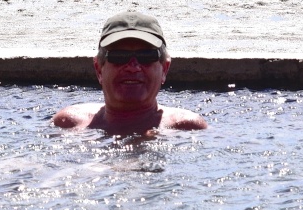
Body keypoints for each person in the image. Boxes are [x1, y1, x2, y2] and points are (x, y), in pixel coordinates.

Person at [53, 11, 207, 133]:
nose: (133, 67)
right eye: (119, 56)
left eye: (146, 56)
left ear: (164, 69)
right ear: (99, 68)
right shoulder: (68, 123)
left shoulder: (187, 128)